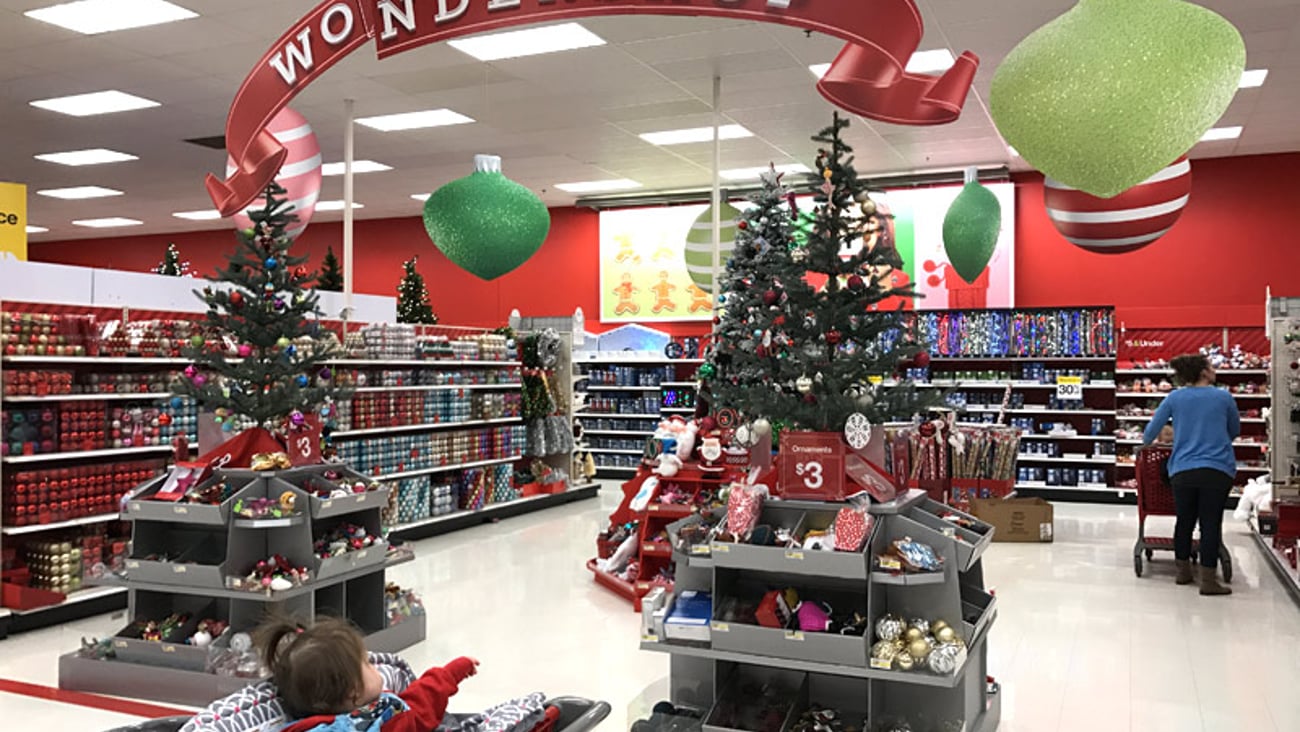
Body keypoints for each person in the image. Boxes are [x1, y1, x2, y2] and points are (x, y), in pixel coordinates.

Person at [256, 617, 479, 732]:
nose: (375, 665)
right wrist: (450, 673)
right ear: (354, 691)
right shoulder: (380, 721)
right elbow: (420, 707)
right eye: (367, 663)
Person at [1142, 353, 1238, 596]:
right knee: (1210, 524)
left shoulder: (1175, 397)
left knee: (1184, 521)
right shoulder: (1223, 397)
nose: (1214, 369)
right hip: (1217, 469)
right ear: (1204, 372)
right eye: (1210, 366)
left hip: (1182, 470)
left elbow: (1150, 432)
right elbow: (1235, 430)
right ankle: (1208, 580)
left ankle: (1182, 572)